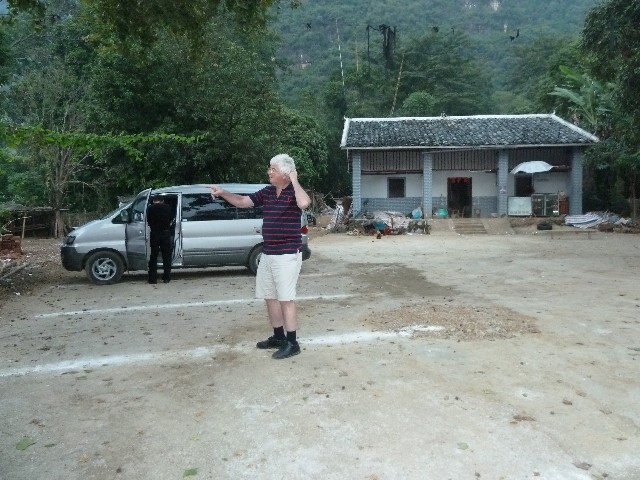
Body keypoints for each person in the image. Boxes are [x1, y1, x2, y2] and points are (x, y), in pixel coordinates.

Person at [209, 154, 311, 359]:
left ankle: (292, 343)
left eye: (273, 169)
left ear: (286, 173)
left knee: (285, 299)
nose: (269, 172)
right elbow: (242, 202)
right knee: (270, 296)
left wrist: (294, 179)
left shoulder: (294, 192)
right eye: (270, 168)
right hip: (268, 252)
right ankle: (278, 336)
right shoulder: (267, 192)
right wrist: (223, 193)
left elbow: (304, 203)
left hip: (287, 254)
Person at [146, 196, 173, 284]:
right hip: (165, 233)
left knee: (154, 256)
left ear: (154, 201)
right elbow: (171, 218)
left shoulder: (150, 208)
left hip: (154, 233)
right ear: (162, 201)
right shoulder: (167, 207)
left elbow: (148, 220)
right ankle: (166, 277)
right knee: (166, 256)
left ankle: (153, 279)